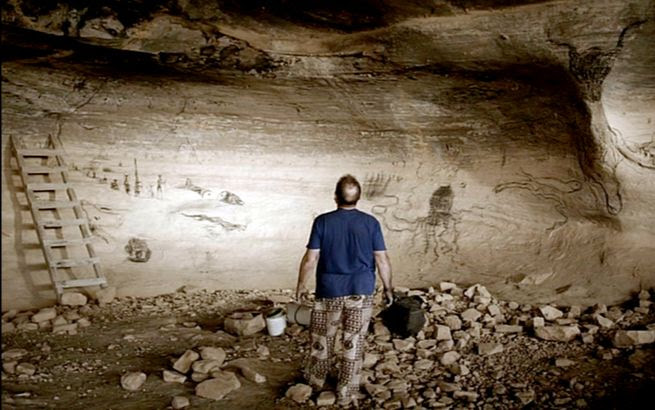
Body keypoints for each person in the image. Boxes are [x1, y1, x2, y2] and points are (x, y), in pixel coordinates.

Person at [296, 174, 393, 406]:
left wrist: (301, 284)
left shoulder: (323, 221)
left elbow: (311, 258)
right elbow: (382, 259)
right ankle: (345, 391)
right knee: (353, 342)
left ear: (335, 197)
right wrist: (388, 288)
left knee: (323, 339)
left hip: (329, 290)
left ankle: (315, 381)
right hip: (360, 291)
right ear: (358, 198)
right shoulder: (371, 223)